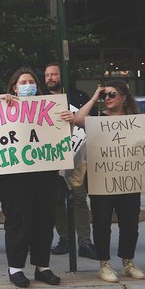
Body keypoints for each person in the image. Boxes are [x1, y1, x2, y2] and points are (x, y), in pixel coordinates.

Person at [71, 80, 145, 282]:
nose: (107, 99)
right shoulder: (97, 119)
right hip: (101, 179)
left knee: (130, 224)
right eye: (105, 95)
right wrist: (94, 96)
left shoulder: (136, 121)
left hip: (129, 180)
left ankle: (128, 262)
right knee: (102, 223)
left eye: (112, 94)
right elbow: (77, 120)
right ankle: (104, 264)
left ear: (124, 97)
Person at [0, 67, 66, 288]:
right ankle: (16, 268)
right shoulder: (3, 105)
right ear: (14, 87)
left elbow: (62, 135)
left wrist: (67, 120)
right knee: (19, 221)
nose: (27, 85)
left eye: (31, 81)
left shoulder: (50, 107)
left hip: (45, 174)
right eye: (22, 82)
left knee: (44, 220)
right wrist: (1, 98)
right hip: (14, 177)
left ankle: (43, 267)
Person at [45, 61, 96, 259]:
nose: (50, 78)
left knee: (79, 198)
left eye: (54, 74)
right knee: (56, 200)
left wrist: (73, 117)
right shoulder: (38, 100)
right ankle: (65, 239)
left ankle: (84, 241)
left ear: (63, 76)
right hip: (50, 158)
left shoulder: (78, 96)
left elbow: (89, 122)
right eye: (47, 75)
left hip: (76, 157)